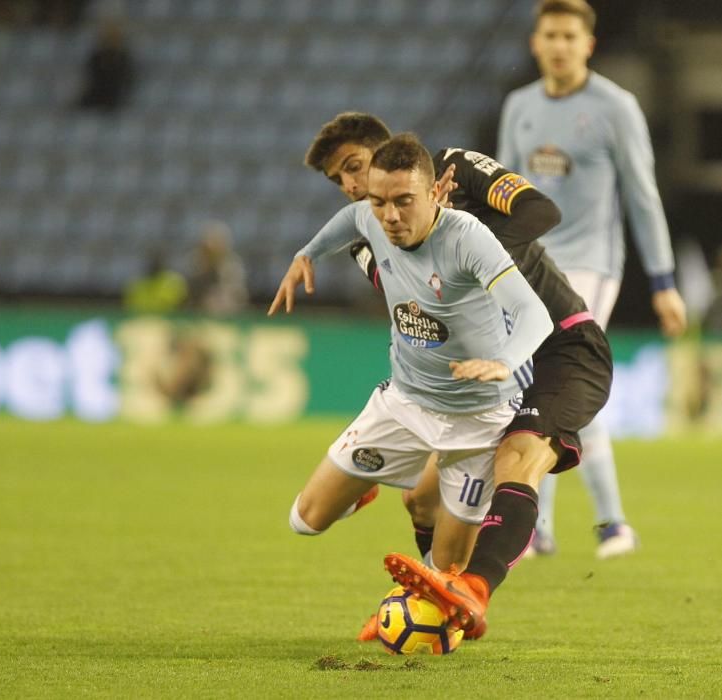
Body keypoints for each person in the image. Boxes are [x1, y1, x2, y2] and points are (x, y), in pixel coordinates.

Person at [303, 112, 613, 636]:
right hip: (488, 372)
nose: (352, 186)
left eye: (355, 166)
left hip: (562, 345)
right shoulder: (375, 235)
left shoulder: (455, 167)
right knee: (419, 498)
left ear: (392, 155)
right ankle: (432, 598)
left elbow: (541, 210)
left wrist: (468, 238)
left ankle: (473, 587)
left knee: (521, 455)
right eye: (342, 181)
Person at [269, 133, 554, 633]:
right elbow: (349, 221)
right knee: (304, 519)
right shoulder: (371, 219)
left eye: (404, 202)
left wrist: (506, 361)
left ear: (433, 195)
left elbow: (534, 314)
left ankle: (407, 625)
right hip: (403, 405)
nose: (390, 216)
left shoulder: (466, 237)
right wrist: (308, 252)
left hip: (478, 421)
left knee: (445, 578)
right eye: (380, 201)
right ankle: (364, 489)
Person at [497, 0, 687, 558]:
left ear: (588, 45)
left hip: (592, 265)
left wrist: (664, 282)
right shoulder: (519, 106)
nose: (558, 45)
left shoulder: (616, 107)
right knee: (540, 389)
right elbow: (501, 189)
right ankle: (545, 527)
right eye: (549, 34)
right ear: (536, 43)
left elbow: (643, 196)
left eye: (568, 36)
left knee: (563, 382)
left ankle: (610, 523)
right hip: (531, 263)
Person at [186, 220, 249, 316]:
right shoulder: (196, 264)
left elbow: (237, 294)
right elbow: (189, 292)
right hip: (199, 314)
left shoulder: (232, 265)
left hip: (227, 314)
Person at [76, 16, 135, 113]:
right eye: (107, 37)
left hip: (115, 95)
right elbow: (90, 75)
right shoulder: (96, 57)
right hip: (97, 92)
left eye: (113, 37)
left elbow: (126, 78)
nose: (109, 40)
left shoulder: (123, 59)